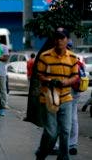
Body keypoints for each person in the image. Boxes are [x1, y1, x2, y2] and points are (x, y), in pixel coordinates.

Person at [35, 28, 79, 160]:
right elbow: (39, 75)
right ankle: (41, 153)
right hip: (48, 98)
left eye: (62, 38)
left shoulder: (72, 57)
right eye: (57, 38)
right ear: (54, 40)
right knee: (51, 133)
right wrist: (49, 80)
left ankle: (63, 157)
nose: (59, 40)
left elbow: (75, 76)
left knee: (65, 130)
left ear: (67, 40)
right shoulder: (45, 56)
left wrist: (65, 83)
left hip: (66, 98)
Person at [0, 35, 10, 109]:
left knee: (2, 88)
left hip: (1, 71)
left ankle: (4, 103)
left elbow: (6, 58)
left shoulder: (4, 47)